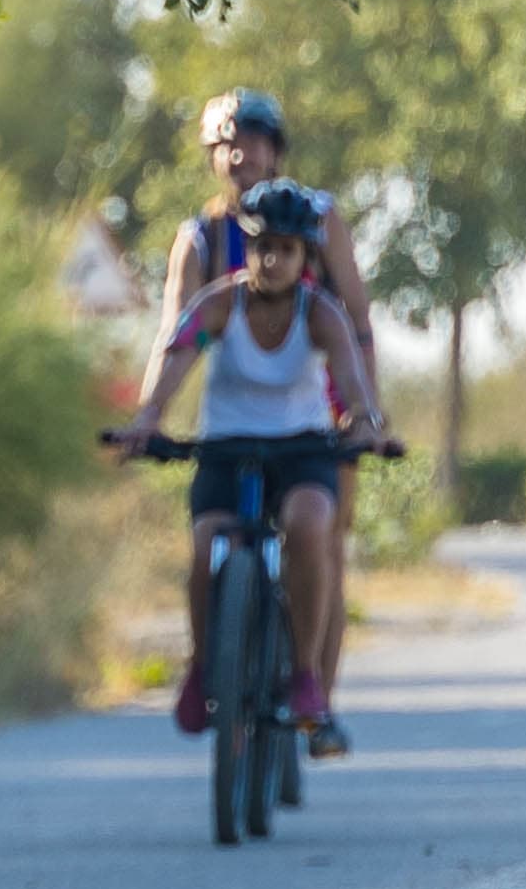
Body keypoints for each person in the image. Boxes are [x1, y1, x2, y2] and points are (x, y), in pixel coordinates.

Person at [149, 89, 387, 754]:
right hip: (233, 411)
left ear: (276, 151)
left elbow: (355, 322)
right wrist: (148, 416)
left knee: (320, 539)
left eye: (251, 142)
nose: (238, 155)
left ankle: (318, 701)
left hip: (321, 393)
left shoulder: (318, 217)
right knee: (213, 540)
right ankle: (215, 662)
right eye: (225, 145)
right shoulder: (199, 238)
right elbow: (176, 334)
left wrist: (367, 411)